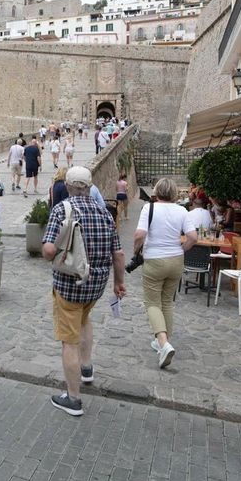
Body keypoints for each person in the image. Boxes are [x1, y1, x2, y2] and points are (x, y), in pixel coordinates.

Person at [42, 166, 126, 416]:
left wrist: (57, 252)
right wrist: (118, 282)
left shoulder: (62, 209)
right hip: (97, 283)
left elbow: (48, 250)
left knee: (69, 340)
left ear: (67, 186)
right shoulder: (104, 212)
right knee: (85, 319)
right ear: (89, 187)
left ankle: (73, 398)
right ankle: (87, 367)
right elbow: (119, 254)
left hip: (70, 284)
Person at [133, 178, 197, 369]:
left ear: (157, 191)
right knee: (167, 301)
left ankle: (162, 342)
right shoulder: (182, 211)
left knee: (152, 302)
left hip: (155, 259)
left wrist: (136, 250)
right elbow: (193, 237)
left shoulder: (149, 209)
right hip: (176, 260)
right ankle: (164, 341)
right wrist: (182, 248)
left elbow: (139, 234)